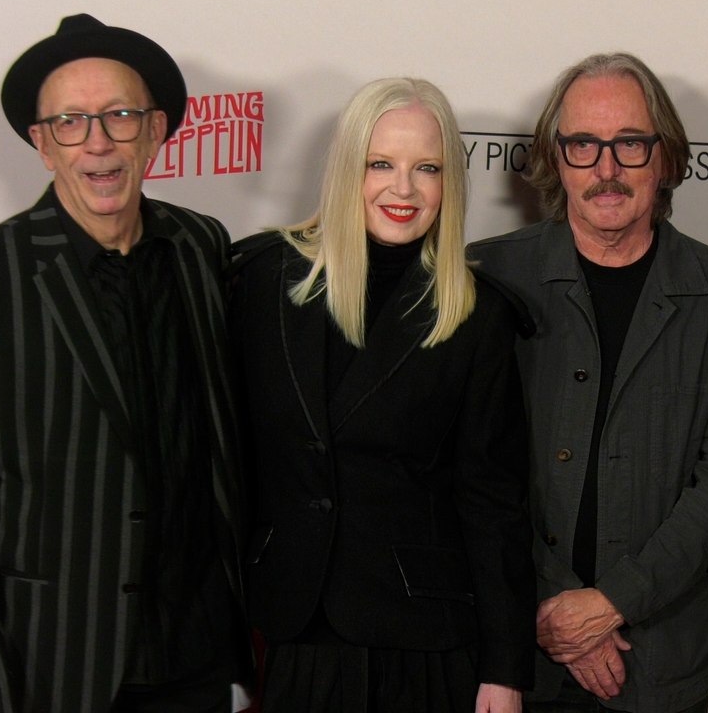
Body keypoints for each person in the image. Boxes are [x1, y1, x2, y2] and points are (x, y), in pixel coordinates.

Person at [0, 14, 249, 713]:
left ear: (156, 131)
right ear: (42, 145)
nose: (97, 142)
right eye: (70, 122)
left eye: (119, 116)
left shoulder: (200, 246)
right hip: (49, 674)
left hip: (196, 664)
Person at [468, 52, 708, 713]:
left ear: (664, 156)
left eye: (629, 143)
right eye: (583, 145)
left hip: (660, 665)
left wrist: (611, 604)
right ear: (556, 157)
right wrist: (551, 603)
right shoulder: (487, 277)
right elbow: (466, 469)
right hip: (513, 655)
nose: (606, 169)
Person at [227, 78, 536, 712]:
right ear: (347, 170)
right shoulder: (258, 278)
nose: (404, 188)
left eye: (428, 167)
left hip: (426, 641)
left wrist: (504, 670)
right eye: (381, 165)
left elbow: (492, 500)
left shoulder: (477, 315)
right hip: (292, 629)